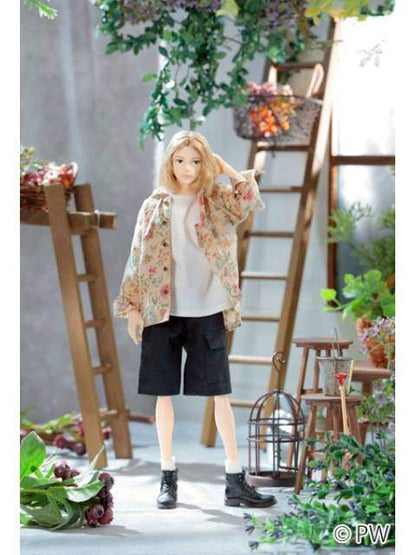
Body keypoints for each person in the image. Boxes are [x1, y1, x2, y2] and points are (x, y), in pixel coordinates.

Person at [113, 130, 276, 510]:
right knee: (163, 395)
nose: (188, 168)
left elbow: (249, 200)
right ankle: (167, 475)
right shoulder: (155, 205)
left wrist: (225, 169)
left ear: (206, 163)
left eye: (196, 161)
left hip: (207, 309)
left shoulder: (216, 200)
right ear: (170, 163)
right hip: (162, 311)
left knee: (220, 394)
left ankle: (235, 479)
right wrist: (132, 307)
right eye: (180, 160)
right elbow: (137, 256)